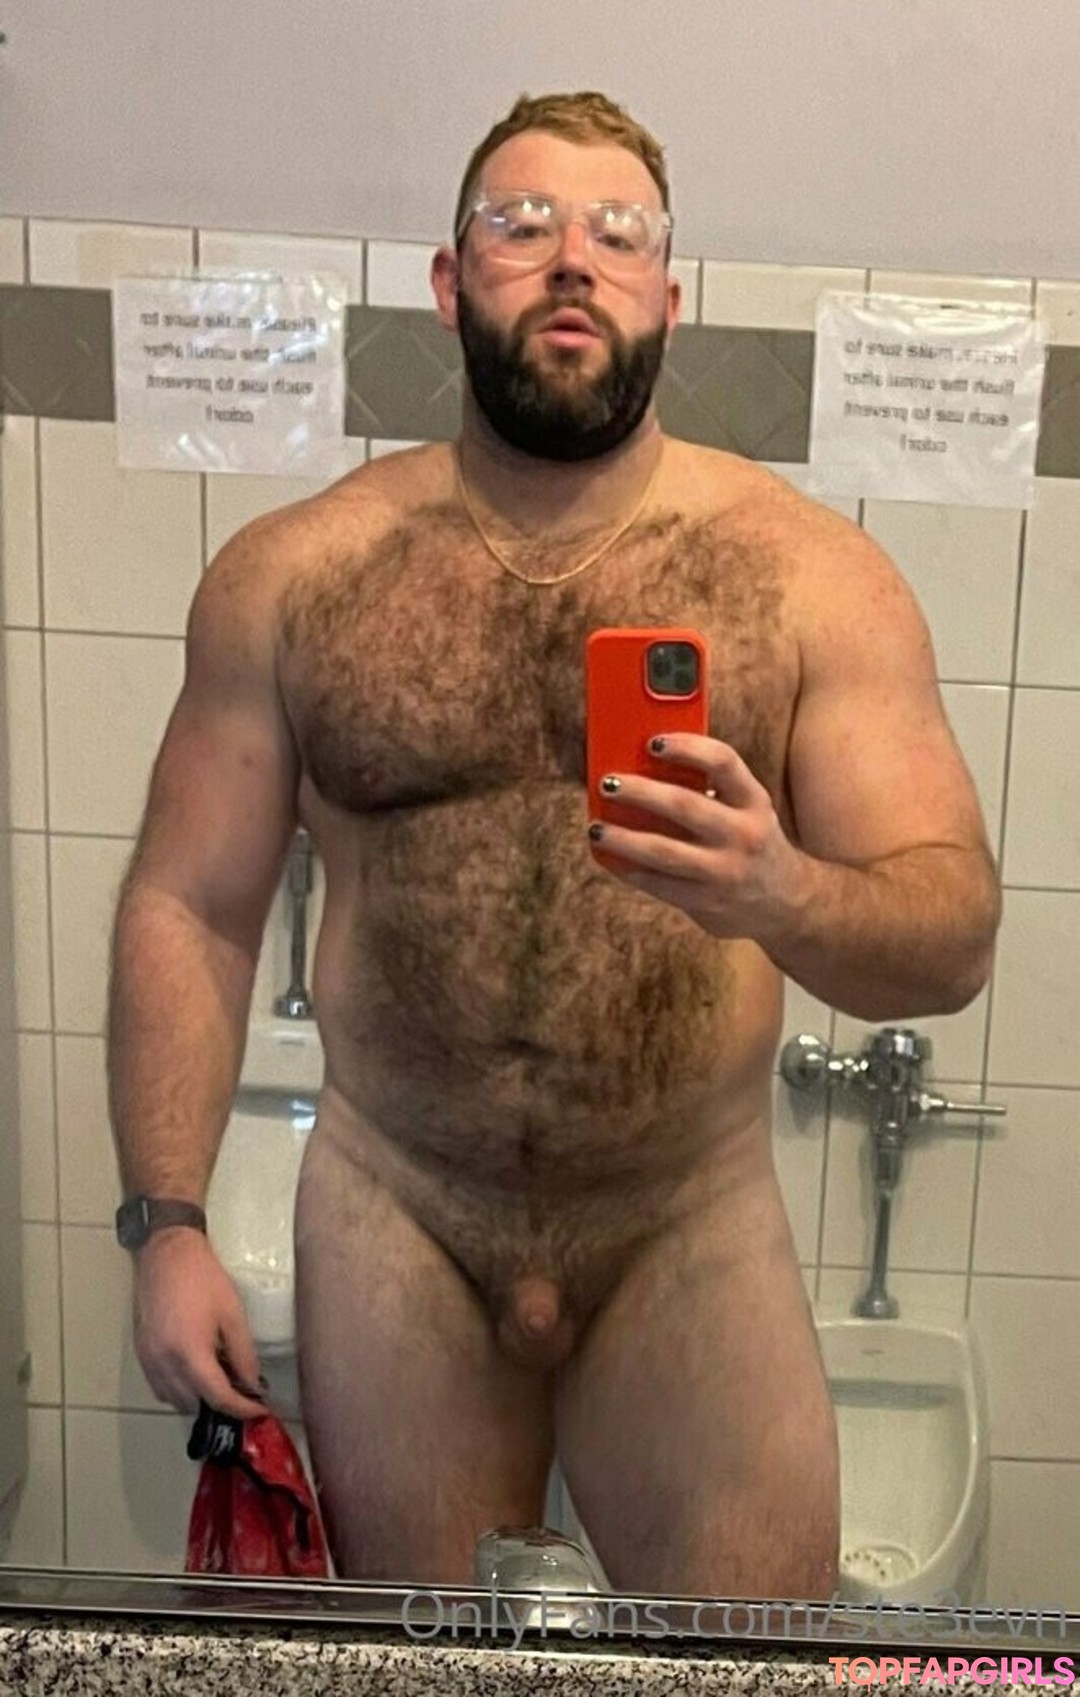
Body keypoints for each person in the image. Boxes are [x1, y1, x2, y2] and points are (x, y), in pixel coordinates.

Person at [106, 89, 1001, 1598]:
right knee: (432, 1673)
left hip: (684, 1225)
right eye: (520, 226)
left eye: (618, 232)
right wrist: (167, 1224)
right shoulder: (297, 576)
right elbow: (189, 903)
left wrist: (784, 891)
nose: (572, 258)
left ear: (670, 295)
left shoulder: (812, 579)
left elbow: (953, 932)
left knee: (743, 1677)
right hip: (402, 1219)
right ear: (450, 283)